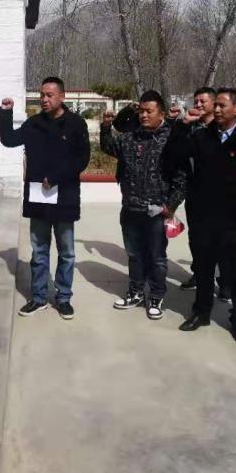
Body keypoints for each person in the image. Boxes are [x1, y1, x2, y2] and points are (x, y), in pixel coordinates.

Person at [164, 88, 236, 344]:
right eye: (216, 105)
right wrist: (182, 126)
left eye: (222, 105)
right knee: (203, 268)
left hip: (235, 220)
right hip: (203, 217)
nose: (217, 110)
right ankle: (201, 312)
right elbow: (173, 156)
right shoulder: (201, 136)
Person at [0, 77, 90, 321]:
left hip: (65, 198)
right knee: (39, 251)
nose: (44, 99)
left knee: (66, 252)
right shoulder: (34, 124)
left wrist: (58, 177)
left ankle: (63, 298)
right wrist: (6, 114)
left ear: (62, 96)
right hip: (39, 198)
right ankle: (38, 297)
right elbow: (9, 140)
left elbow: (82, 159)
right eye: (42, 95)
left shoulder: (75, 124)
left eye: (49, 95)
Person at [100, 90, 186, 321]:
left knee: (157, 257)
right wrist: (106, 127)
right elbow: (109, 147)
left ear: (162, 114)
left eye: (149, 111)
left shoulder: (171, 139)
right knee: (134, 255)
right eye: (141, 111)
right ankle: (136, 292)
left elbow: (181, 176)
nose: (144, 115)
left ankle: (156, 296)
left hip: (157, 210)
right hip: (130, 208)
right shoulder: (130, 137)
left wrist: (171, 205)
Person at [176, 87, 230, 299]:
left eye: (202, 102)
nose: (198, 105)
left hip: (222, 196)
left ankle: (224, 280)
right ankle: (199, 272)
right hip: (196, 194)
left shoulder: (224, 129)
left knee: (222, 240)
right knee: (196, 238)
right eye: (196, 101)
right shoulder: (192, 128)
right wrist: (183, 124)